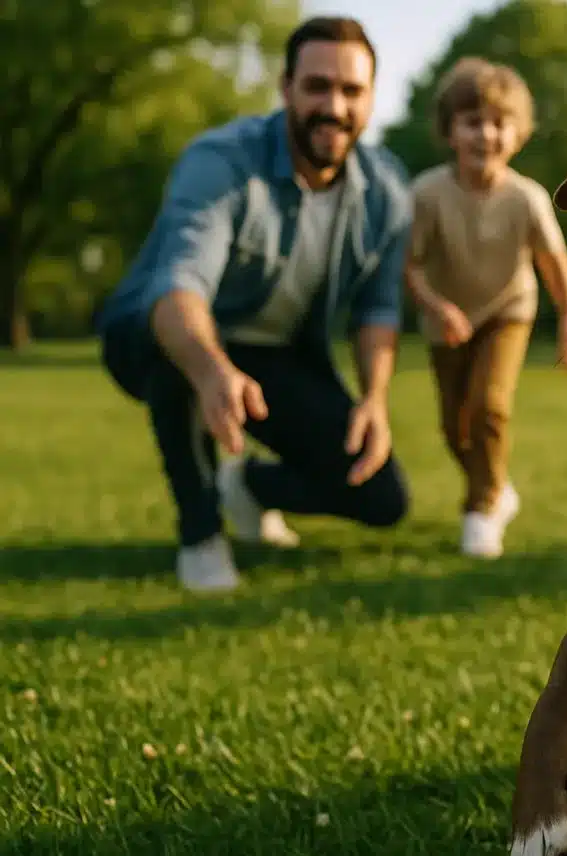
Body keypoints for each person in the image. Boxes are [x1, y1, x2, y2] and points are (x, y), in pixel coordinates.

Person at [96, 16, 413, 593]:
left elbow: (378, 309)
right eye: (317, 86)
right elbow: (179, 286)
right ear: (286, 87)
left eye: (351, 91)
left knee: (381, 497)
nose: (334, 107)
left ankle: (248, 487)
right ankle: (200, 533)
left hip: (276, 356)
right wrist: (211, 369)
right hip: (165, 334)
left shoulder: (388, 190)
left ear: (371, 98)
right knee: (178, 355)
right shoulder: (220, 162)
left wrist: (374, 398)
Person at [403, 57, 567, 559]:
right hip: (447, 320)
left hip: (508, 311)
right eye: (473, 122)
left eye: (500, 123)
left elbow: (554, 264)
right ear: (450, 131)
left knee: (489, 407)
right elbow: (409, 266)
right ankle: (497, 488)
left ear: (518, 134)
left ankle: (480, 511)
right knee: (454, 427)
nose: (486, 134)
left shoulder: (527, 198)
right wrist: (437, 307)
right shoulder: (427, 194)